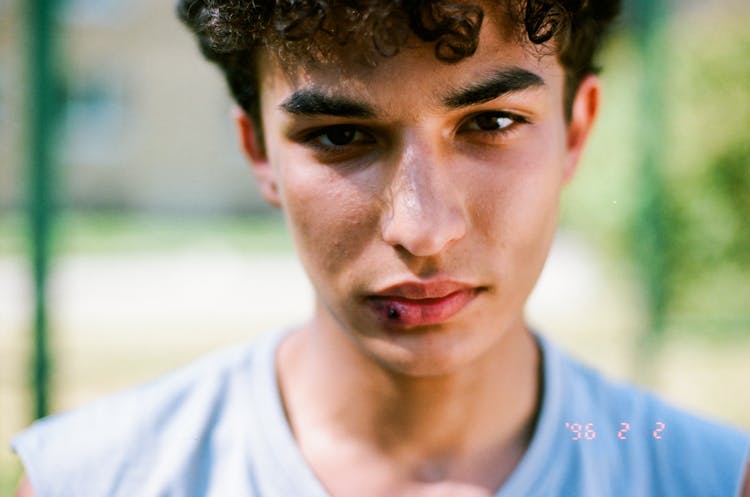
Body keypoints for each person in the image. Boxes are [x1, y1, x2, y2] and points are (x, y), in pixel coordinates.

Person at [12, 1, 750, 496]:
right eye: (340, 135)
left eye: (490, 123)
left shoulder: (711, 477)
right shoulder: (92, 477)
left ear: (577, 131)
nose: (423, 229)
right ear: (259, 150)